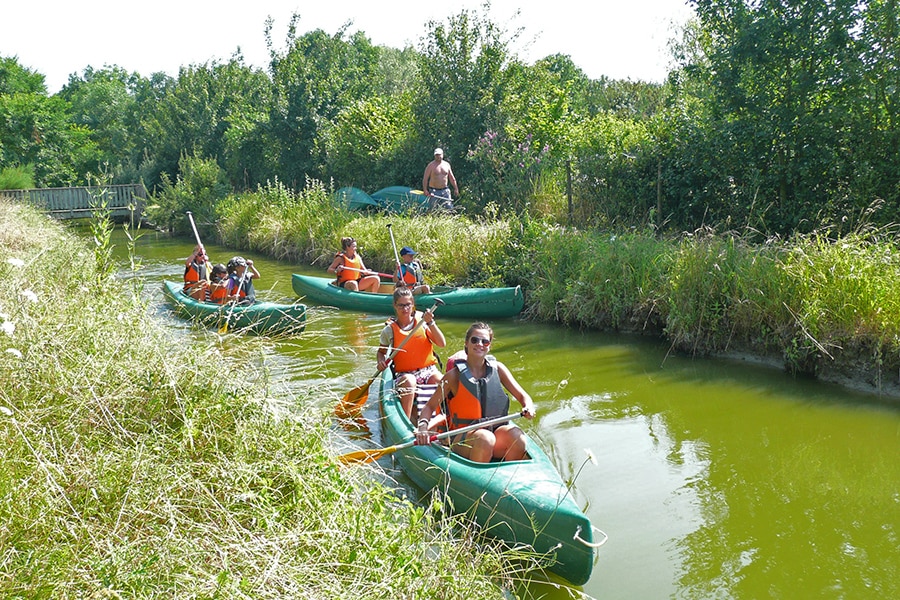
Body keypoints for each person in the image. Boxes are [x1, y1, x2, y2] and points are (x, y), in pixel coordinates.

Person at [416, 322, 536, 463]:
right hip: (462, 437)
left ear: (489, 345)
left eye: (485, 341)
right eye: (475, 340)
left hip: (494, 432)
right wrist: (423, 426)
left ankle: (508, 475)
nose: (480, 344)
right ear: (466, 343)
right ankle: (479, 479)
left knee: (517, 435)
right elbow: (429, 406)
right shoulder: (453, 376)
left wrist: (528, 406)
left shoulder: (498, 369)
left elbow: (523, 396)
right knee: (485, 438)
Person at [377, 287, 446, 419]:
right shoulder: (389, 330)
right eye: (401, 305)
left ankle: (438, 423)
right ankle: (406, 424)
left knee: (439, 380)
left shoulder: (423, 322)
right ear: (395, 306)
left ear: (413, 305)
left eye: (408, 304)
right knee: (410, 381)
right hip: (405, 374)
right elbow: (381, 352)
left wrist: (431, 322)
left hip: (428, 370)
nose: (405, 309)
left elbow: (442, 343)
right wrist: (380, 361)